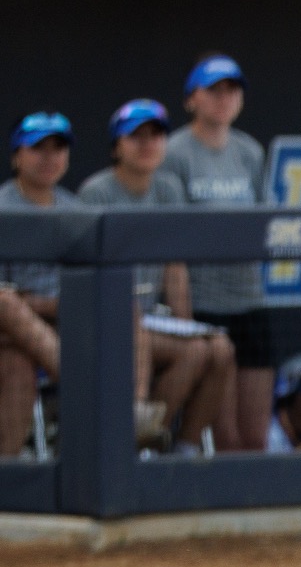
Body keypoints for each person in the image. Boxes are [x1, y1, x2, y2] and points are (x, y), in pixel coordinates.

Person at [79, 98, 234, 454]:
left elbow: (174, 267)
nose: (148, 144)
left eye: (156, 135)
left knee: (218, 350)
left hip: (152, 321)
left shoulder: (168, 189)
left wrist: (187, 323)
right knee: (193, 353)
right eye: (137, 137)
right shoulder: (97, 192)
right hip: (108, 321)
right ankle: (132, 439)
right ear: (117, 146)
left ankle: (183, 448)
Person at [161, 53, 271, 452]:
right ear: (192, 99)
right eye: (214, 90)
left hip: (250, 300)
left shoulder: (250, 152)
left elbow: (263, 223)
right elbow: (171, 241)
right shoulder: (174, 153)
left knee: (255, 435)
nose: (224, 98)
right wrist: (184, 315)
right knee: (225, 436)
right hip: (206, 304)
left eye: (232, 90)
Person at [0, 113, 78, 457]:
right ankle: (82, 385)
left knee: (19, 366)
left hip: (60, 327)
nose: (49, 157)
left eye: (57, 148)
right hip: (11, 323)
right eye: (37, 148)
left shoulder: (76, 210)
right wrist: (51, 304)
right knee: (6, 303)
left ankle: (8, 472)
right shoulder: (3, 206)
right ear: (17, 155)